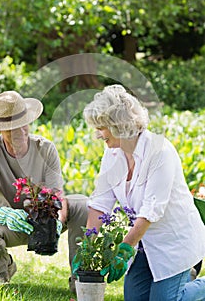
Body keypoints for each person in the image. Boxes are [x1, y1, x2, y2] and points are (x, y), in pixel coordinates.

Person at [79, 84, 205, 301]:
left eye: (102, 127)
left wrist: (123, 250)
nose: (98, 134)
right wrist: (87, 247)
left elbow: (150, 211)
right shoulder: (113, 155)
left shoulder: (159, 151)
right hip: (143, 248)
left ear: (119, 125)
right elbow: (100, 202)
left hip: (173, 244)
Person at [0, 91, 88, 292]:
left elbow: (57, 195)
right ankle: (3, 271)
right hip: (15, 224)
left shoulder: (45, 149)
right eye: (12, 127)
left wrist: (56, 223)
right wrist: (4, 213)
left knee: (82, 204)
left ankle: (80, 280)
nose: (20, 130)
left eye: (23, 123)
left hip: (47, 219)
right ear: (1, 130)